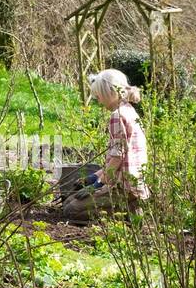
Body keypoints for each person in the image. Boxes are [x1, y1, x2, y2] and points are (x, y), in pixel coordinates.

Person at [62, 69, 150, 220]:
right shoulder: (130, 111)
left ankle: (129, 211)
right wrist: (92, 177)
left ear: (108, 93)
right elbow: (123, 157)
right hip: (133, 184)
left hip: (122, 187)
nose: (98, 100)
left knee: (71, 210)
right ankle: (130, 205)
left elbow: (118, 156)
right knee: (70, 200)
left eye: (99, 95)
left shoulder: (117, 116)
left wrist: (97, 184)